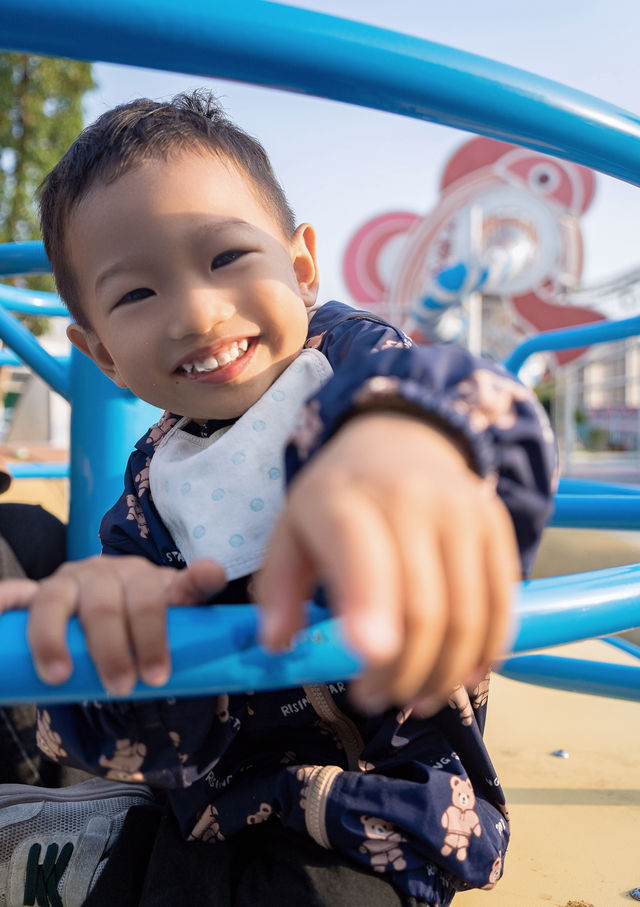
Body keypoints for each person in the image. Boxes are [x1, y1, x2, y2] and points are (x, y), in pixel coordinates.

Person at [0, 91, 556, 906]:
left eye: (226, 257)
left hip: (389, 808)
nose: (196, 309)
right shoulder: (153, 492)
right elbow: (144, 738)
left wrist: (416, 445)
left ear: (300, 267)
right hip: (213, 807)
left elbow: (481, 414)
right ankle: (80, 846)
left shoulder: (362, 374)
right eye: (135, 295)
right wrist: (103, 652)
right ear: (102, 356)